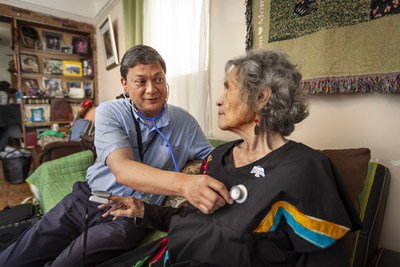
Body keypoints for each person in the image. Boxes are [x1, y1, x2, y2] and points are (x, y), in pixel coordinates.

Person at [98, 50, 362, 267]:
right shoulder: (219, 155)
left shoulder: (306, 169)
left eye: (228, 88)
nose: (219, 101)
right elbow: (192, 219)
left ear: (261, 97)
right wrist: (144, 210)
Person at [0, 45, 231, 266]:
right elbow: (122, 170)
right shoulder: (110, 112)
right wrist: (185, 184)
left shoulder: (185, 122)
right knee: (18, 256)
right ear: (125, 85)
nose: (152, 89)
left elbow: (215, 159)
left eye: (158, 79)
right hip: (90, 198)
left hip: (132, 214)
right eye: (140, 81)